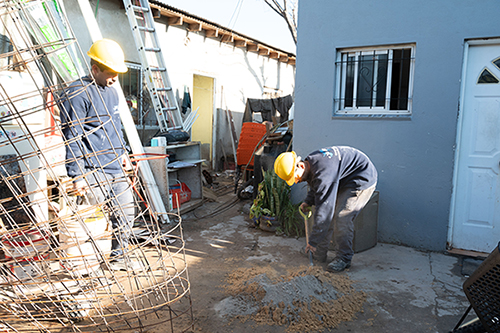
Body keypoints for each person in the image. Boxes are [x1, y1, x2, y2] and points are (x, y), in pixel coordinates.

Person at [60, 39, 140, 271]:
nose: (114, 78)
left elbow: (115, 125)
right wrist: (77, 175)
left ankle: (119, 258)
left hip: (115, 165)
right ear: (94, 69)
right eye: (109, 73)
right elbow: (72, 135)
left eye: (117, 73)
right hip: (92, 169)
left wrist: (123, 151)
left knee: (125, 214)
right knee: (86, 222)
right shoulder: (78, 94)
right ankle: (83, 266)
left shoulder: (112, 92)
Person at [274, 146, 377, 272]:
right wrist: (308, 201)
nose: (296, 181)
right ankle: (319, 253)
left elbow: (324, 211)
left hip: (360, 179)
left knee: (342, 217)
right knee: (327, 214)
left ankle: (344, 258)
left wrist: (312, 242)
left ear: (300, 166)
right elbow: (316, 185)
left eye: (295, 177)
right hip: (344, 179)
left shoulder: (323, 173)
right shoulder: (312, 163)